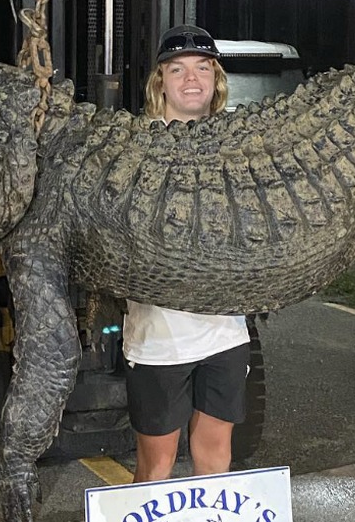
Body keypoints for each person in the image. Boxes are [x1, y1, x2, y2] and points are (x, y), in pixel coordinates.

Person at [122, 24, 252, 482]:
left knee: (216, 456)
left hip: (225, 334)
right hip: (160, 336)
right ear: (161, 81)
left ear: (216, 79)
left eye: (202, 68)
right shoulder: (135, 148)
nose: (191, 78)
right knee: (156, 464)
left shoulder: (237, 146)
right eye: (177, 69)